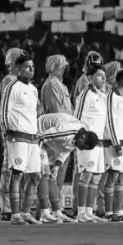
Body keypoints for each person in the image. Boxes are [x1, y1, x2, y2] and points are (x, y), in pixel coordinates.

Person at [1, 52, 42, 225]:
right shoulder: (12, 86)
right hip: (17, 136)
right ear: (18, 68)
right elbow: (4, 111)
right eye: (27, 66)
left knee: (35, 177)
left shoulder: (33, 89)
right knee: (17, 174)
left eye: (33, 67)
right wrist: (5, 134)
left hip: (33, 137)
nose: (31, 69)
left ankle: (25, 212)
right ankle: (15, 214)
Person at [37, 112, 99, 223]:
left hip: (50, 141)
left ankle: (57, 212)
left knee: (52, 177)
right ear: (83, 137)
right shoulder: (66, 132)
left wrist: (57, 165)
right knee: (45, 174)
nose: (81, 149)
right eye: (83, 147)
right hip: (39, 133)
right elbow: (42, 137)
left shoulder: (78, 137)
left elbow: (66, 150)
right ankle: (44, 213)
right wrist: (38, 158)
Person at [75, 63, 108, 223]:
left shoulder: (102, 96)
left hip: (100, 143)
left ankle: (89, 210)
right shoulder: (85, 95)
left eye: (104, 75)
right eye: (100, 75)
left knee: (96, 177)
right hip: (87, 143)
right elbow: (77, 118)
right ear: (90, 77)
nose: (104, 78)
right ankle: (81, 212)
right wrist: (82, 139)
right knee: (86, 175)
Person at [40, 55, 73, 205]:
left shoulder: (61, 85)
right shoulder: (51, 85)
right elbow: (56, 110)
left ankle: (56, 206)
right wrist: (67, 127)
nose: (65, 69)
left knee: (59, 170)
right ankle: (48, 208)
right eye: (64, 66)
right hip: (57, 133)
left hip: (66, 131)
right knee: (53, 171)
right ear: (59, 67)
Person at [103, 69, 123, 221]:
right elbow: (109, 120)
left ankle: (118, 211)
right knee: (113, 176)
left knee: (122, 177)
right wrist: (115, 143)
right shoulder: (111, 96)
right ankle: (109, 212)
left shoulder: (122, 97)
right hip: (113, 143)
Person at [0, 47, 23, 221]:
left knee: (17, 168)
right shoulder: (9, 80)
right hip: (12, 130)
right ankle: (6, 207)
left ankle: (14, 205)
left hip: (21, 130)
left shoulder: (19, 81)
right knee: (9, 168)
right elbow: (7, 108)